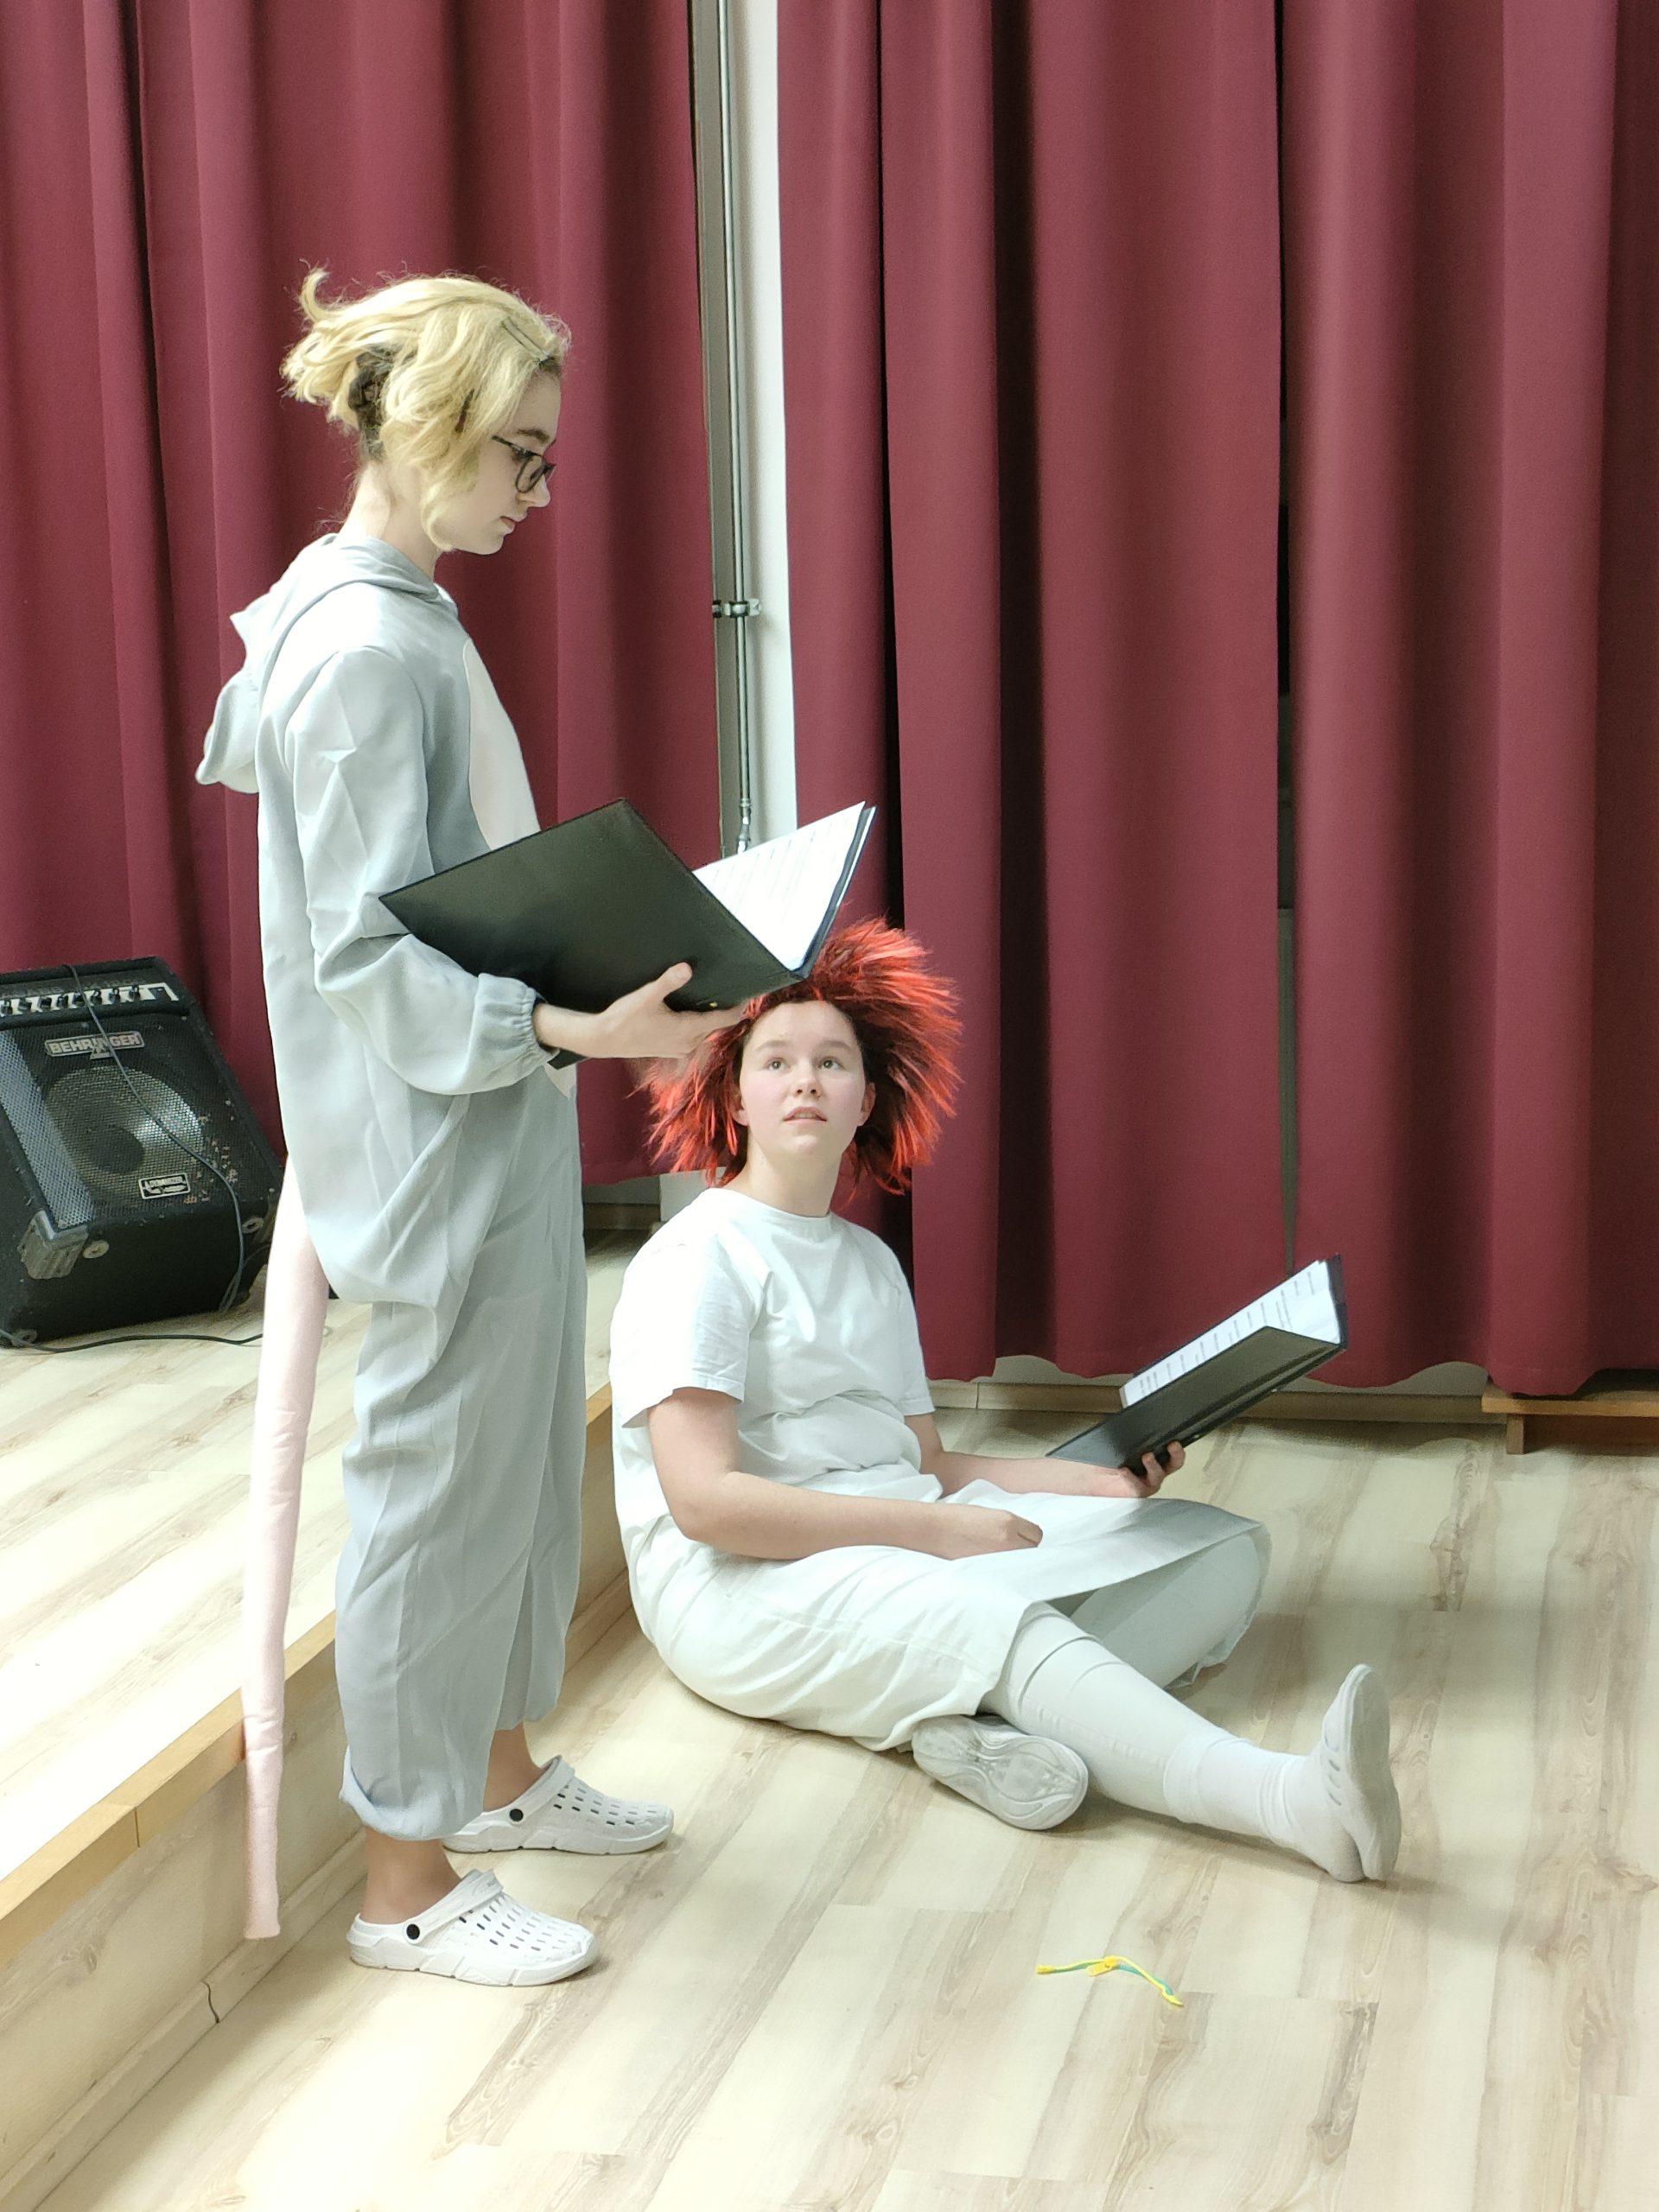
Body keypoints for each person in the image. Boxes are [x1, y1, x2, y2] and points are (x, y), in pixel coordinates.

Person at [198, 270, 738, 1986]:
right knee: (435, 1491)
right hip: (433, 1127)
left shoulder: (395, 606)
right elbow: (358, 950)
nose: (539, 489)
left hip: (483, 1103)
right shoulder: (363, 648)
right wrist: (572, 1022)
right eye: (520, 453)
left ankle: (494, 1775)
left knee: (508, 1462)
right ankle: (404, 1881)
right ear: (425, 429)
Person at [607, 922, 1402, 1882]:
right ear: (735, 1094)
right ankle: (1291, 1803)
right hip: (741, 1582)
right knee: (992, 1617)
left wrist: (1092, 1483)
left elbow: (929, 1465)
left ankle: (989, 1733)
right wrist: (936, 1534)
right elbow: (706, 1505)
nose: (804, 1080)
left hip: (892, 1525)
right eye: (775, 1061)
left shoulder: (868, 1262)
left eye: (831, 1061)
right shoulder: (698, 1257)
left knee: (1218, 1545)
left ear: (868, 1097)